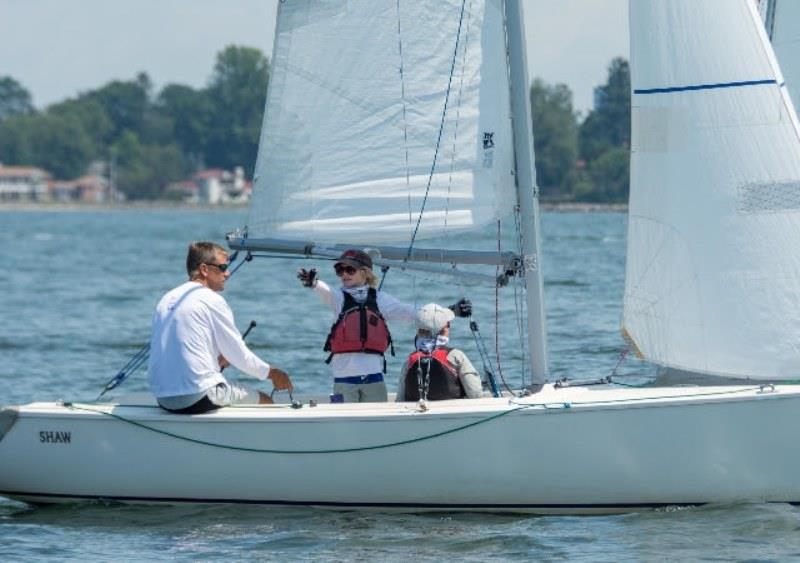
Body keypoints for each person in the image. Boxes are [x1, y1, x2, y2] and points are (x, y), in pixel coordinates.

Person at [148, 241, 293, 414]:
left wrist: (221, 355)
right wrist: (273, 374)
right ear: (204, 269)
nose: (228, 273)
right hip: (198, 396)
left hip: (163, 399)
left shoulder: (167, 298)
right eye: (223, 267)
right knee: (266, 401)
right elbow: (241, 356)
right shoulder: (212, 299)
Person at [297, 249, 416, 403]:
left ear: (365, 273)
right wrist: (313, 283)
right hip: (344, 380)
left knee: (377, 424)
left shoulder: (380, 299)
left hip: (374, 379)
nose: (344, 274)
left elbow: (409, 312)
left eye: (350, 269)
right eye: (340, 270)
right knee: (344, 425)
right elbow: (325, 291)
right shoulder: (338, 298)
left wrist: (448, 311)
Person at [397, 303, 483, 402]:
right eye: (448, 325)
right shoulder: (455, 356)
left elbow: (400, 401)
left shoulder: (409, 362)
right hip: (453, 412)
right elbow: (475, 394)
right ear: (442, 330)